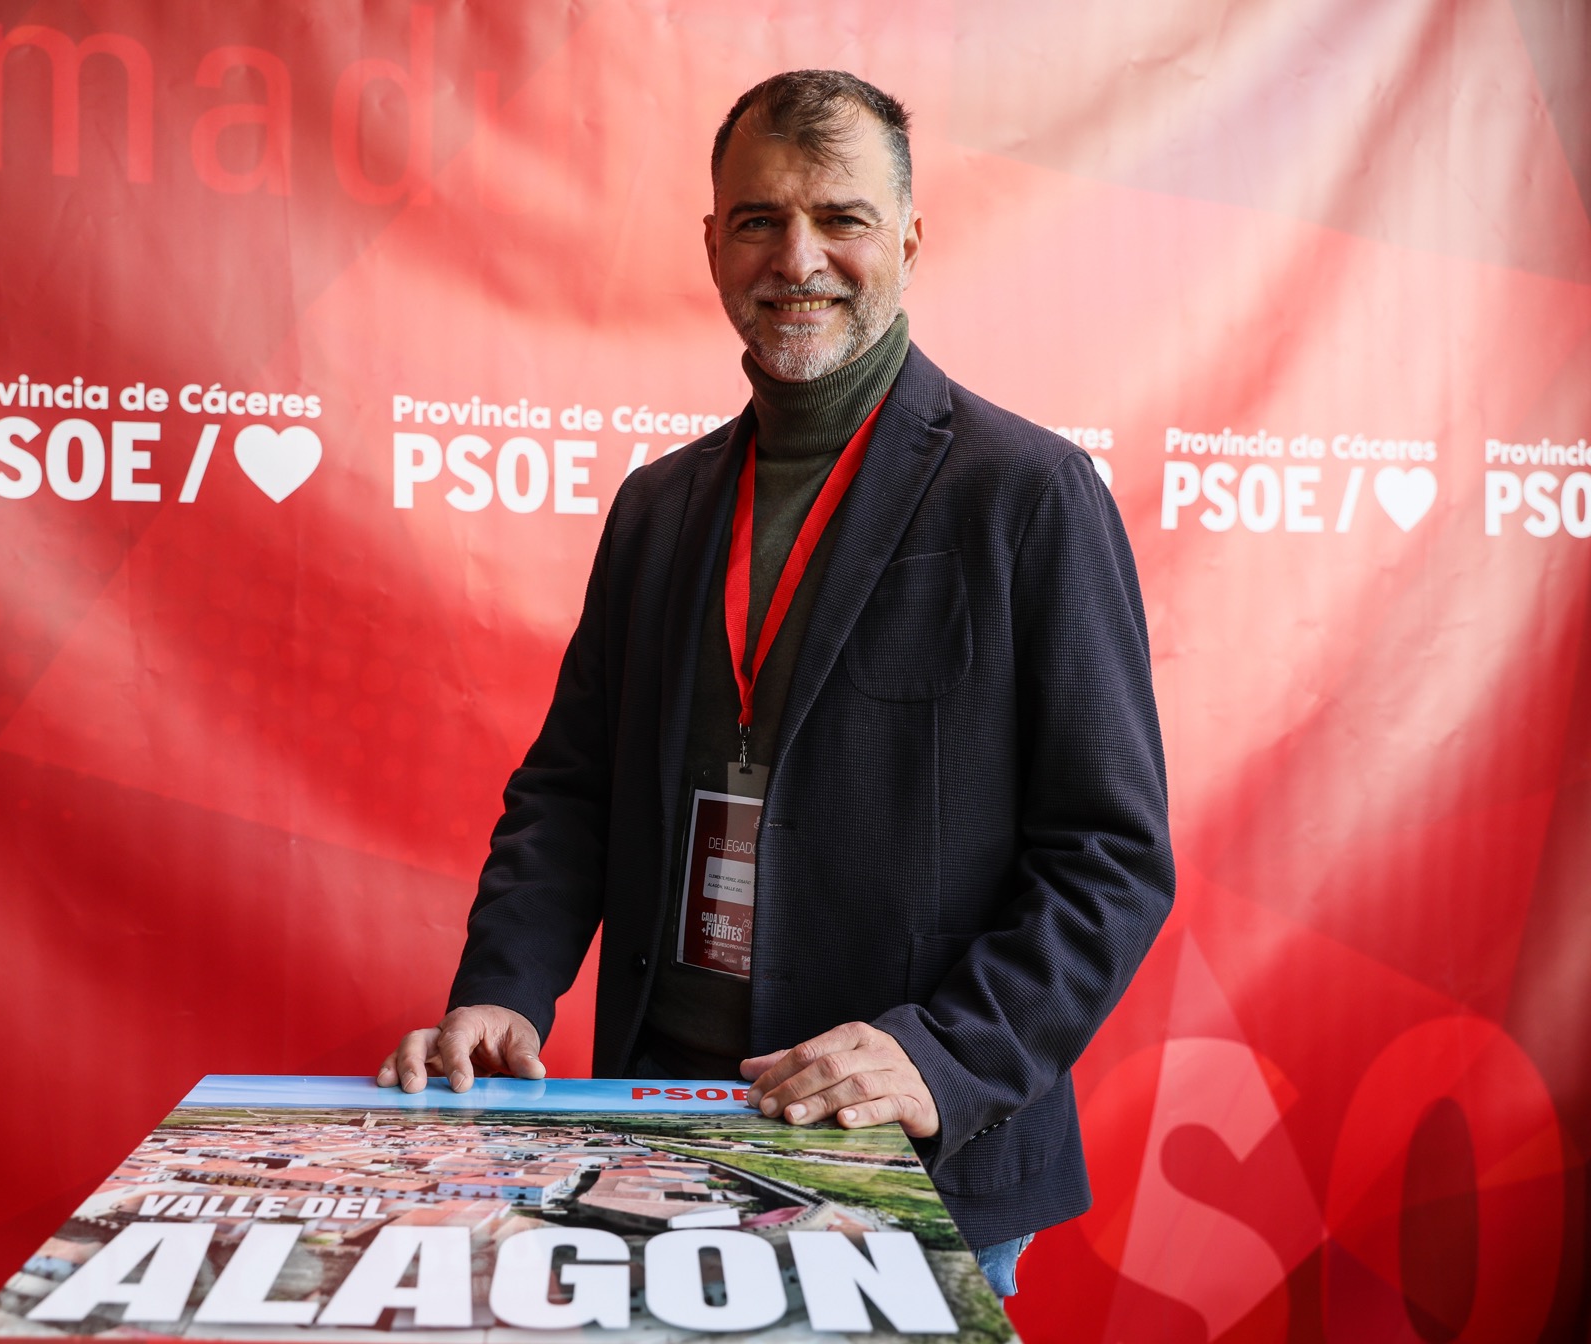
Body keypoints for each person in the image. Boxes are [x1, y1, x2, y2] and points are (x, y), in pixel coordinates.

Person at [377, 69, 1174, 1300]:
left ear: (910, 239)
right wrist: (504, 989)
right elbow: (573, 791)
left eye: (840, 218)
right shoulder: (659, 508)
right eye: (759, 219)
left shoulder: (1027, 496)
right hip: (659, 1127)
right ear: (712, 243)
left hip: (900, 1151)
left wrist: (943, 1057)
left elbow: (1110, 857)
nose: (797, 259)